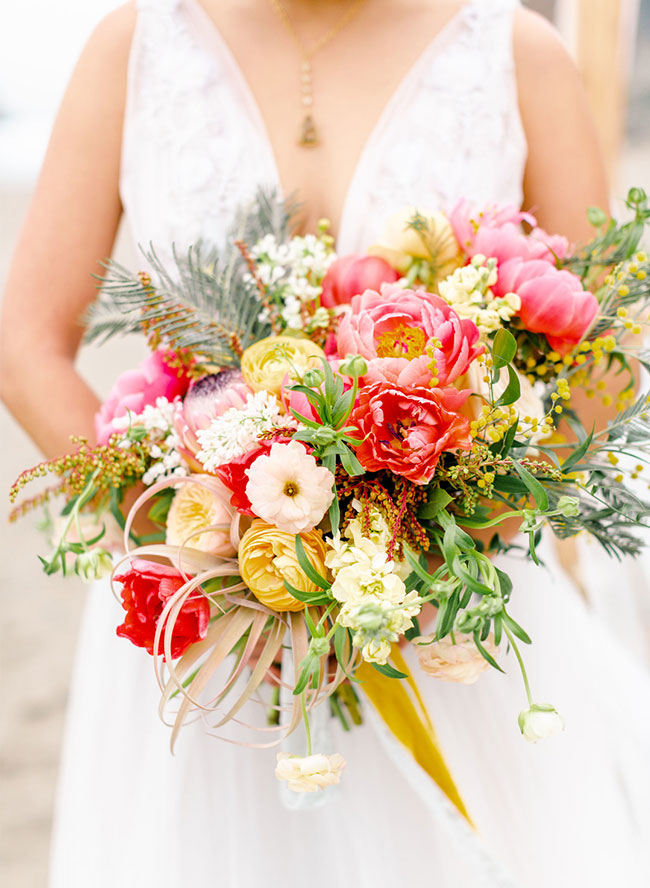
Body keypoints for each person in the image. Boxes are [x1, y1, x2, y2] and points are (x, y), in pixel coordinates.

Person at [2, 1, 650, 885]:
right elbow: (25, 344)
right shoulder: (136, 48)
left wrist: (432, 553)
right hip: (207, 648)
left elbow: (605, 364)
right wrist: (200, 561)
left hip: (448, 626)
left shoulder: (515, 55)